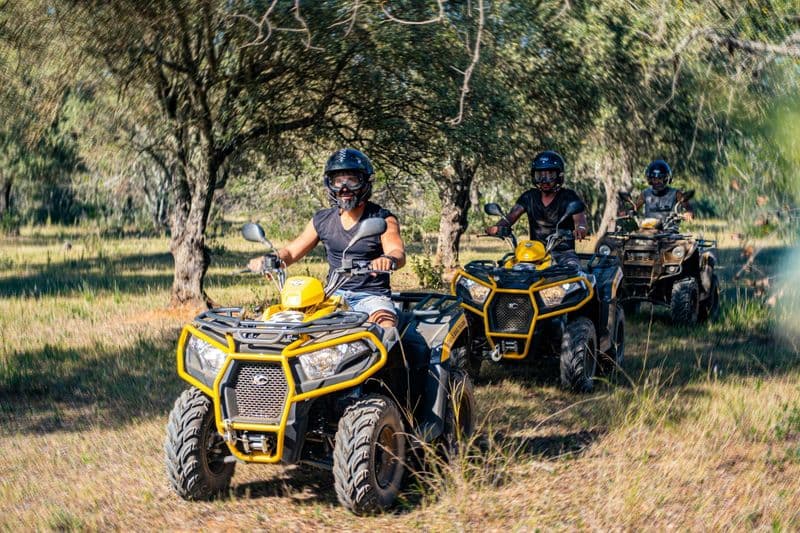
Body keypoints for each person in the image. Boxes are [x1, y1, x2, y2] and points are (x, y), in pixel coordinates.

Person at [248, 148, 406, 329]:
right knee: (282, 325)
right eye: (338, 181)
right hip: (331, 295)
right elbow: (291, 252)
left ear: (364, 182)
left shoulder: (382, 219)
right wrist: (271, 260)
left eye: (351, 180)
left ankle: (399, 358)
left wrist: (387, 260)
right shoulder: (322, 219)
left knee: (385, 326)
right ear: (330, 185)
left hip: (370, 297)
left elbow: (397, 252)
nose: (344, 188)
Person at [486, 150, 588, 269]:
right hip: (534, 253)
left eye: (550, 175)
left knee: (573, 272)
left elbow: (580, 221)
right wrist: (497, 227)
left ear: (559, 175)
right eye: (540, 175)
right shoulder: (529, 196)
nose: (544, 180)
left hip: (563, 253)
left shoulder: (569, 197)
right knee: (508, 272)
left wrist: (580, 229)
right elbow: (511, 216)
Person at [628, 159, 693, 221]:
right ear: (649, 179)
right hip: (648, 229)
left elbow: (688, 208)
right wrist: (629, 212)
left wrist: (688, 213)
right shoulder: (645, 194)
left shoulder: (676, 193)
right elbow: (635, 208)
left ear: (666, 178)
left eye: (660, 178)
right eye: (654, 178)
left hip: (670, 230)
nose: (657, 181)